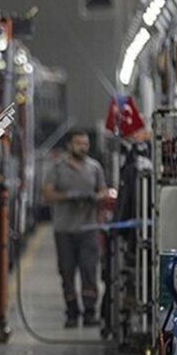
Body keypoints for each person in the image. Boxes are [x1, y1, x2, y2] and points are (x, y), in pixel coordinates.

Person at [42, 128, 109, 328]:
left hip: (89, 229)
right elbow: (47, 195)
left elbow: (104, 191)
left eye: (86, 144)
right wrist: (69, 196)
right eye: (79, 143)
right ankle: (71, 312)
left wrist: (94, 197)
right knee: (67, 272)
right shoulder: (57, 168)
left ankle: (90, 312)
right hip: (64, 230)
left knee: (89, 271)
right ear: (70, 145)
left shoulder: (94, 168)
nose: (83, 147)